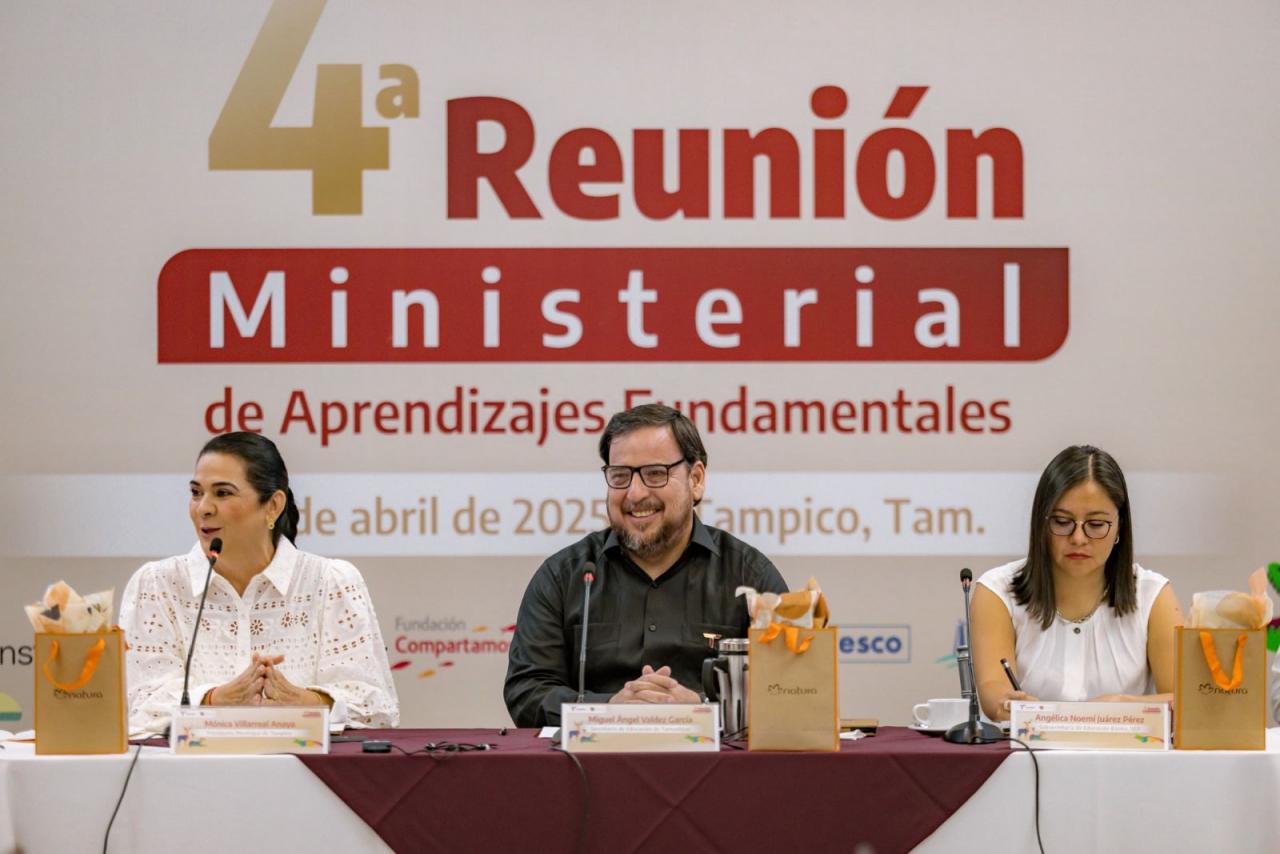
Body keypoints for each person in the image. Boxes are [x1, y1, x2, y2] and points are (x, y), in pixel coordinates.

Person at [504, 404, 789, 728]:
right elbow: (526, 691)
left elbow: (791, 691)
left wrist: (703, 709)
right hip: (591, 758)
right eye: (620, 476)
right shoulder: (564, 577)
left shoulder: (749, 576)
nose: (635, 493)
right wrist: (607, 709)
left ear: (696, 479)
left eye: (655, 473)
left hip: (714, 758)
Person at [119, 432, 399, 733]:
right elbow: (137, 706)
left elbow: (378, 709)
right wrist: (213, 700)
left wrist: (306, 702)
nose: (203, 508)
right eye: (196, 492)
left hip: (304, 763)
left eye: (222, 493)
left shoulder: (331, 582)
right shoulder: (157, 584)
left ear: (273, 506)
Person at [971, 445, 1184, 721]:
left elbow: (1188, 701)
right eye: (1062, 522)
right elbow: (993, 689)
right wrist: (1007, 702)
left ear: (1119, 527)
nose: (1078, 539)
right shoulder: (997, 591)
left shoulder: (1153, 594)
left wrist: (1123, 704)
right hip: (1027, 747)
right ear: (1041, 523)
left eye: (1096, 525)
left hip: (1124, 749)